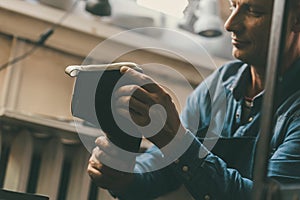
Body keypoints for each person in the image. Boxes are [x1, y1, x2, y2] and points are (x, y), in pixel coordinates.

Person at [87, 0, 300, 199]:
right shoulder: (222, 84)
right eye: (233, 4)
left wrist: (174, 139)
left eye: (253, 11)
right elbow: (163, 166)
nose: (229, 24)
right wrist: (123, 175)